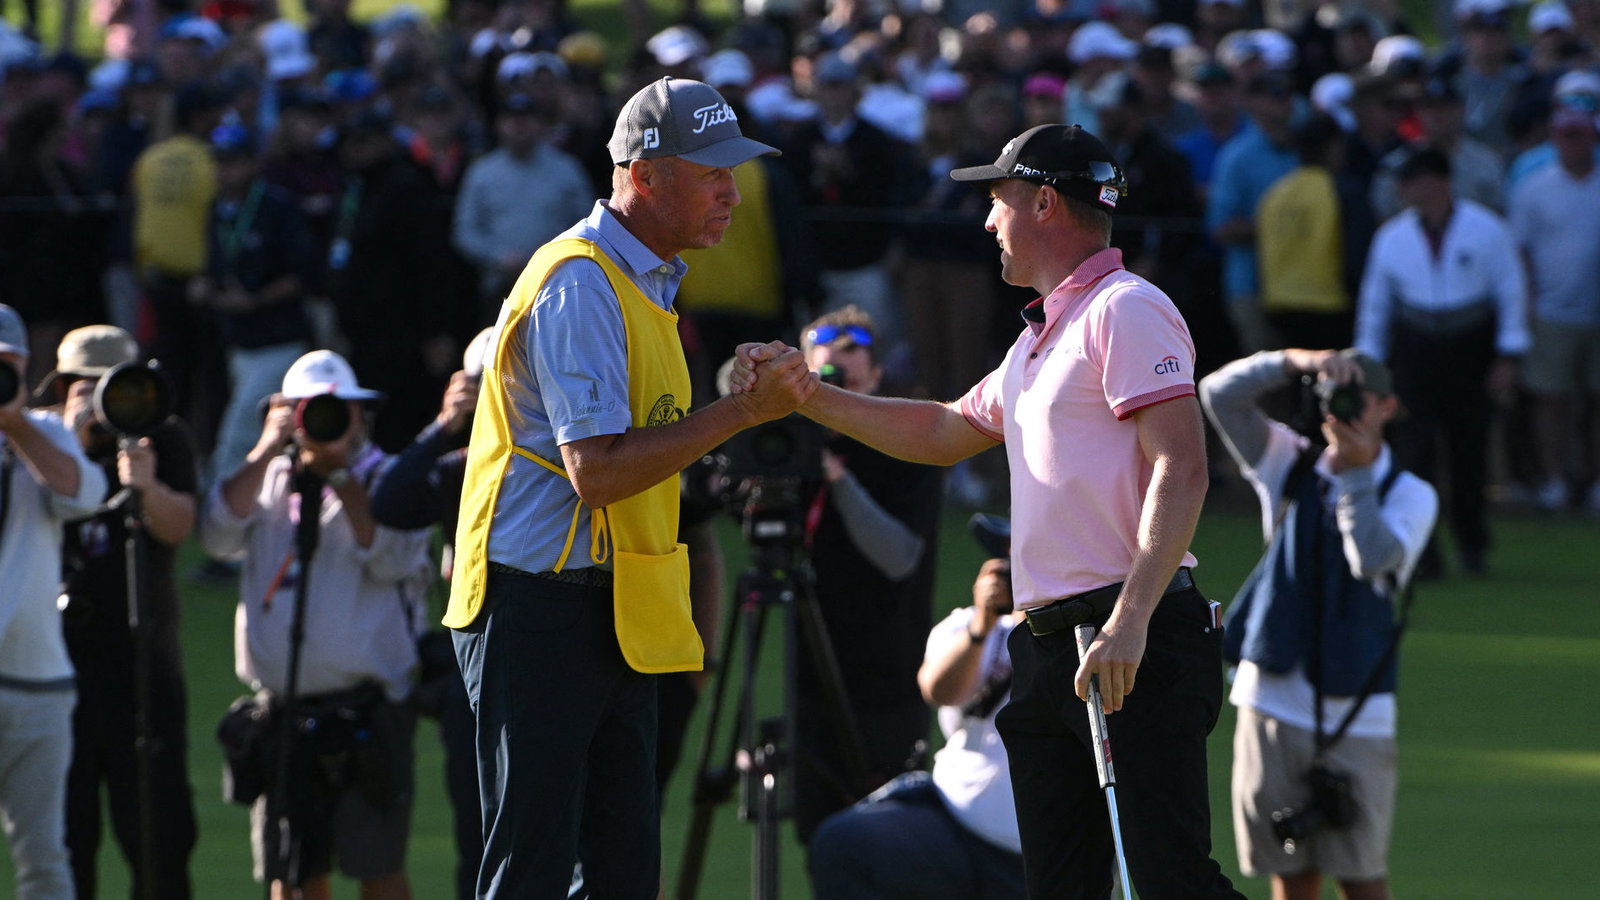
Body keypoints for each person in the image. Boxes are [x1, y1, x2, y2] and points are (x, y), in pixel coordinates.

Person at [735, 123, 1244, 900]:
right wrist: (807, 394)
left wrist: (1131, 621)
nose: (986, 220)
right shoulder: (1041, 335)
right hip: (1048, 651)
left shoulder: (1125, 309)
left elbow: (1185, 464)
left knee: (1169, 884)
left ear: (1044, 202)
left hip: (1125, 640)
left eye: (998, 199)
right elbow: (943, 430)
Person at [442, 77, 812, 899]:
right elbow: (599, 470)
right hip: (538, 607)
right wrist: (742, 412)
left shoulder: (641, 278)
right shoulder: (580, 281)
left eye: (733, 171)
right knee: (531, 871)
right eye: (712, 170)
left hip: (607, 607)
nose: (732, 191)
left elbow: (646, 430)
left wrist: (729, 397)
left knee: (620, 874)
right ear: (643, 175)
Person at [1198, 347, 1437, 900]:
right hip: (1273, 700)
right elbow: (1218, 395)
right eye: (1339, 394)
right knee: (1292, 872)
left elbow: (1372, 560)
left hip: (1360, 710)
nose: (1349, 407)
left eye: (1363, 398)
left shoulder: (1411, 493)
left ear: (1388, 407)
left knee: (1362, 878)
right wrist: (1297, 362)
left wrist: (1354, 479)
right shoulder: (1291, 459)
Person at [199, 349, 432, 900]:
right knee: (294, 875)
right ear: (284, 413)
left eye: (337, 410)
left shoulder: (389, 479)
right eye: (308, 410)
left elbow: (393, 558)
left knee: (379, 868)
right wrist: (265, 447)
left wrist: (342, 478)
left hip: (370, 710)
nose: (324, 423)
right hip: (281, 712)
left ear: (360, 415)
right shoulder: (269, 479)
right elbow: (214, 537)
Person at [44, 326, 200, 898]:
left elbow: (179, 526)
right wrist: (65, 443)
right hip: (56, 668)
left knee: (160, 842)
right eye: (84, 386)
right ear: (62, 387)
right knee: (64, 842)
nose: (102, 400)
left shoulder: (162, 436)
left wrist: (147, 483)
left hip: (143, 667)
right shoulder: (38, 441)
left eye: (115, 385)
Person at [808, 523, 1026, 900]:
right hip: (952, 823)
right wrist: (982, 625)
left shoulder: (1092, 636)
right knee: (844, 844)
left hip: (1034, 856)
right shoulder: (969, 626)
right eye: (1007, 556)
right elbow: (938, 689)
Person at [792, 305, 944, 843]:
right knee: (817, 838)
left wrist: (837, 481)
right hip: (809, 683)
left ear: (877, 377)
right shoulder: (791, 449)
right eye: (820, 376)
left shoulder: (908, 444)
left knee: (885, 845)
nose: (833, 382)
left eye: (849, 370)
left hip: (888, 683)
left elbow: (899, 556)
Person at [1354, 146, 1527, 574]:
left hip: (1471, 344)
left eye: (1411, 181)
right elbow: (1375, 305)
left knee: (1470, 450)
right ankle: (1424, 551)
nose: (1404, 190)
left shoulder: (1487, 229)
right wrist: (1369, 365)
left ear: (1438, 182)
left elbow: (1511, 291)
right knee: (1416, 454)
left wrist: (1508, 353)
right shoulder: (1392, 235)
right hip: (1415, 348)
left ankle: (1473, 543)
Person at [0, 305, 108, 900]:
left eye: (7, 365)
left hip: (38, 683)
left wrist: (16, 425)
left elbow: (81, 494)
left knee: (44, 861)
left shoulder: (45, 432)